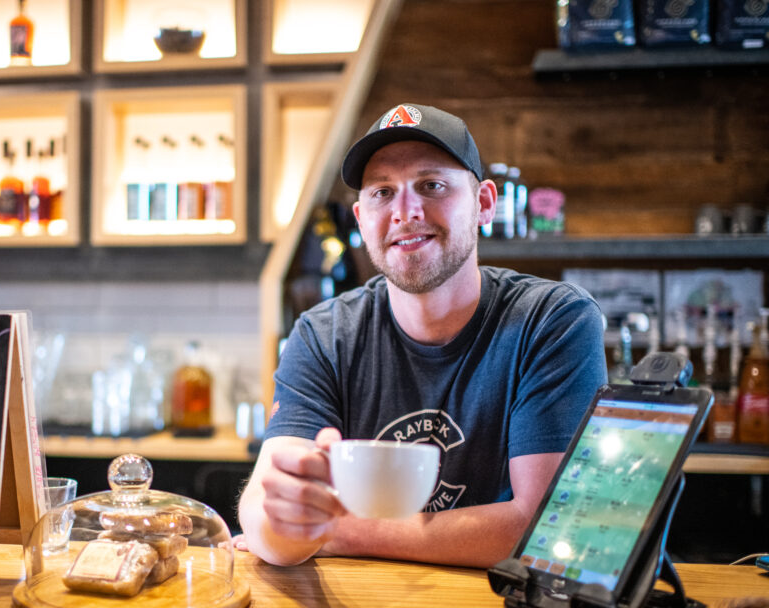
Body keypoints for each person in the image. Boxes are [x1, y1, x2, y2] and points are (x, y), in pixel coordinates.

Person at [236, 103, 607, 568]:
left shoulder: (551, 320)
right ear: (360, 216)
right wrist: (284, 523)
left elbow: (546, 526)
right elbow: (265, 516)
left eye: (431, 185)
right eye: (382, 192)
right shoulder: (323, 334)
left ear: (485, 204)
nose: (405, 212)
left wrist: (341, 531)